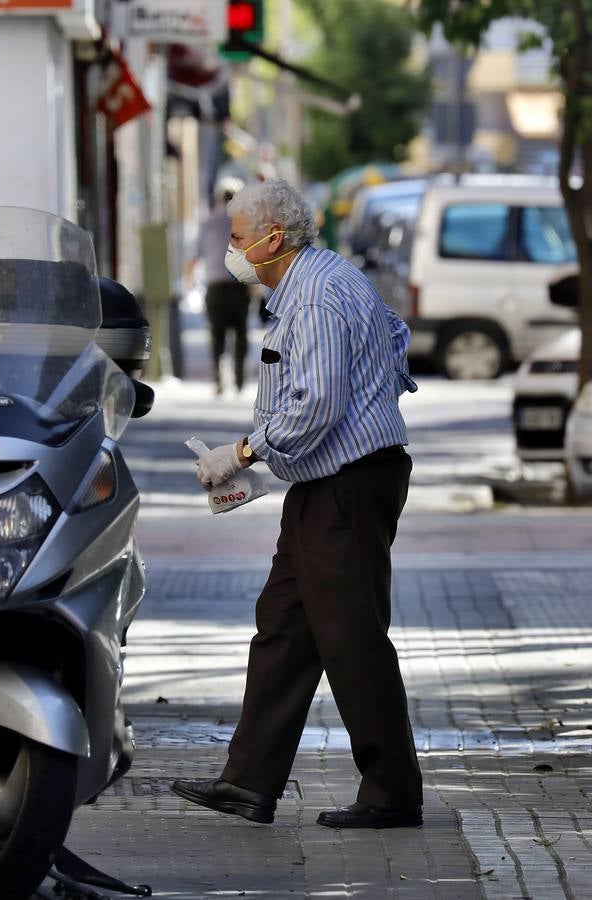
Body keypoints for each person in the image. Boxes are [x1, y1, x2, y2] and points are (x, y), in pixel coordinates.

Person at [171, 179, 424, 829]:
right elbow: (393, 347)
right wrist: (277, 463)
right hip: (333, 480)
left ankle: (391, 793)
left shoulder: (311, 297)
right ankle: (249, 781)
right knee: (284, 627)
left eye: (235, 238)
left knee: (351, 637)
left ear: (270, 239)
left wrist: (244, 453)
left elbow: (314, 404)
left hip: (348, 483)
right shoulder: (325, 279)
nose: (229, 251)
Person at [193, 177, 252, 395]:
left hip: (216, 286)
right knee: (241, 333)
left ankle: (218, 380)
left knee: (217, 335)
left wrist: (190, 280)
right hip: (240, 287)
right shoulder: (245, 222)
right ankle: (239, 380)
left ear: (218, 197)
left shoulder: (208, 222)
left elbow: (195, 255)